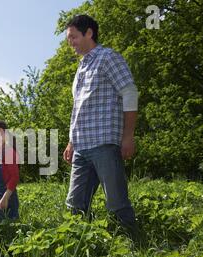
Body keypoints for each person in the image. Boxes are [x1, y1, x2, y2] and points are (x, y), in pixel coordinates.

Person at [63, 15, 140, 239]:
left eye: (74, 37)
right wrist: (71, 141)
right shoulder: (81, 67)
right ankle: (79, 246)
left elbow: (129, 92)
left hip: (104, 142)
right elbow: (78, 106)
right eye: (69, 39)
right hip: (81, 146)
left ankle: (131, 244)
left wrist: (128, 136)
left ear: (89, 33)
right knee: (74, 204)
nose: (71, 42)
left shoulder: (108, 57)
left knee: (116, 201)